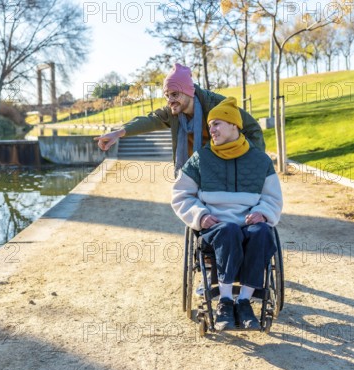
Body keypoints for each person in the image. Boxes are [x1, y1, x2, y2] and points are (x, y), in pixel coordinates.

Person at [171, 96, 282, 331]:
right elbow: (181, 195)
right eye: (210, 125)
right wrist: (200, 216)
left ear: (234, 125)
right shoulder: (200, 159)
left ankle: (244, 301)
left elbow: (272, 198)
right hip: (216, 227)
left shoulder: (260, 161)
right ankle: (224, 301)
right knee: (229, 230)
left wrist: (263, 213)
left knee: (263, 231)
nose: (211, 129)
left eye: (217, 124)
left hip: (249, 224)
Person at [94, 63, 266, 174]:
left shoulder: (217, 105)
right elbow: (150, 119)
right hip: (192, 171)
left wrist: (253, 163)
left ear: (188, 91)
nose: (170, 100)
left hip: (224, 167)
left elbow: (252, 128)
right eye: (167, 95)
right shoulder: (174, 112)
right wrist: (118, 133)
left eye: (174, 94)